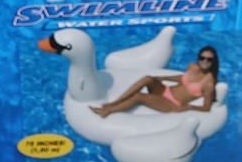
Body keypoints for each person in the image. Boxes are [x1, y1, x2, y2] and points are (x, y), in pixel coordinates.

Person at [92, 46, 221, 116]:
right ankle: (114, 103)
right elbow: (181, 79)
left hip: (172, 103)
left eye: (209, 59)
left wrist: (189, 107)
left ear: (213, 62)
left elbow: (206, 108)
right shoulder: (193, 67)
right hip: (166, 90)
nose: (204, 61)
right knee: (148, 79)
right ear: (198, 57)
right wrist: (162, 78)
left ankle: (107, 111)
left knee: (139, 97)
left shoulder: (209, 83)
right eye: (202, 58)